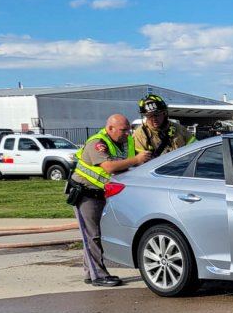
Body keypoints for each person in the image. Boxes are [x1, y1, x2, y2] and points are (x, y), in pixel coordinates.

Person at [70, 114, 152, 287]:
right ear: (110, 128)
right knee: (92, 236)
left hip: (104, 194)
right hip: (86, 194)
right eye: (123, 130)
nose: (127, 134)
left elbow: (126, 164)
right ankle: (98, 275)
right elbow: (108, 167)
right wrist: (137, 160)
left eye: (128, 129)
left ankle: (90, 272)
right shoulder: (97, 143)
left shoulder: (124, 143)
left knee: (96, 234)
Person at [132, 94, 195, 159]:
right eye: (150, 116)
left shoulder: (179, 129)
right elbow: (141, 162)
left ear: (164, 113)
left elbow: (195, 148)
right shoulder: (139, 135)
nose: (154, 119)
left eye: (157, 115)